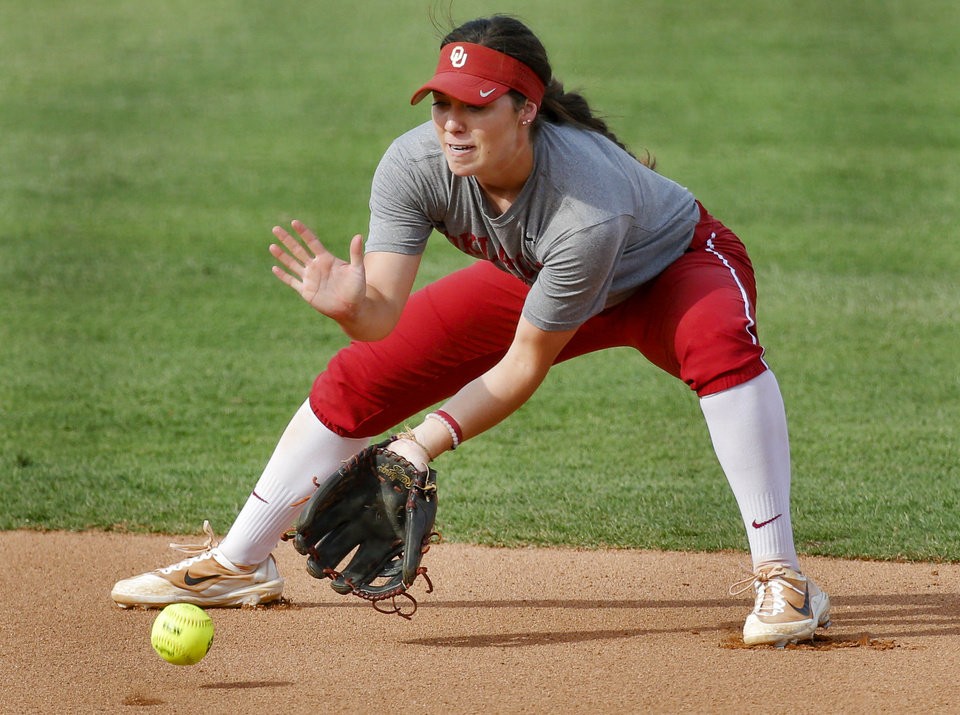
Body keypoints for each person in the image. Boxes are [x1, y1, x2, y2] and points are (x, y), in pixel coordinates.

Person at [112, 15, 830, 646]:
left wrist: (422, 442)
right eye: (443, 104)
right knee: (363, 377)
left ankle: (781, 576)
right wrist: (350, 307)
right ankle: (239, 563)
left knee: (720, 348)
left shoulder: (587, 206)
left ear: (526, 109)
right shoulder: (415, 165)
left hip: (669, 268)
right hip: (539, 277)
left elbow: (524, 366)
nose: (452, 123)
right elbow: (383, 317)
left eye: (476, 106)